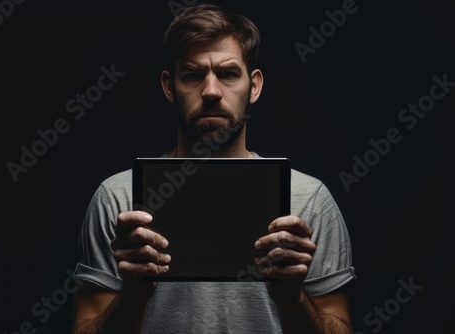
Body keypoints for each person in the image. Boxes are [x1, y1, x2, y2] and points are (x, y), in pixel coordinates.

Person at [71, 3, 356, 333]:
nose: (210, 91)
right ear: (168, 86)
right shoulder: (118, 199)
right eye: (192, 75)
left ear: (255, 86)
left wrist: (293, 298)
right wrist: (134, 296)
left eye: (228, 74)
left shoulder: (309, 201)